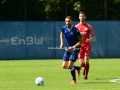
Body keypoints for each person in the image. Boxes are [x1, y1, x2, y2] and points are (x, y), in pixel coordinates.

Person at [60, 16, 83, 84]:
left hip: (75, 49)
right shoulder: (63, 28)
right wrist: (62, 43)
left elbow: (81, 41)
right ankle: (77, 68)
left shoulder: (75, 30)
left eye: (69, 21)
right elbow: (61, 34)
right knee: (64, 66)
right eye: (66, 21)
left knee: (70, 66)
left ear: (72, 21)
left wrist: (73, 47)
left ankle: (74, 80)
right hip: (68, 49)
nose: (67, 23)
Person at [75, 11, 96, 80]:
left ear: (85, 17)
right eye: (80, 16)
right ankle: (82, 68)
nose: (81, 17)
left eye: (83, 16)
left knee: (86, 61)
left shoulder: (89, 26)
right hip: (80, 46)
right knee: (82, 64)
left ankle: (86, 76)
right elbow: (74, 36)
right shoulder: (76, 27)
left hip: (87, 46)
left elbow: (93, 36)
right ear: (79, 17)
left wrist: (89, 40)